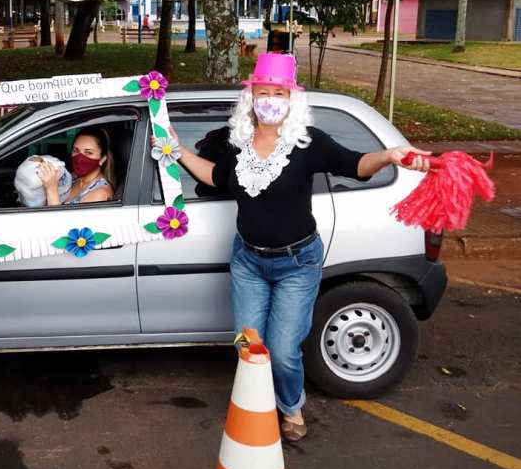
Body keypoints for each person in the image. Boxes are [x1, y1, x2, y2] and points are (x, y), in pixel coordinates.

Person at [163, 52, 430, 442]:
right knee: (247, 344)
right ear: (250, 96)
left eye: (278, 92)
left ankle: (291, 406)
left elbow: (354, 164)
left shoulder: (307, 143)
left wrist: (390, 155)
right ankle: (258, 406)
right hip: (248, 261)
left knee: (284, 350)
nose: (269, 99)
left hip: (297, 263)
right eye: (262, 91)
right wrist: (178, 149)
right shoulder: (237, 144)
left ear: (291, 98)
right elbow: (217, 177)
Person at [39, 127, 114, 205]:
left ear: (102, 159)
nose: (80, 158)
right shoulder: (74, 177)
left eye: (88, 153)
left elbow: (57, 217)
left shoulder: (100, 194)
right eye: (76, 151)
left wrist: (51, 189)